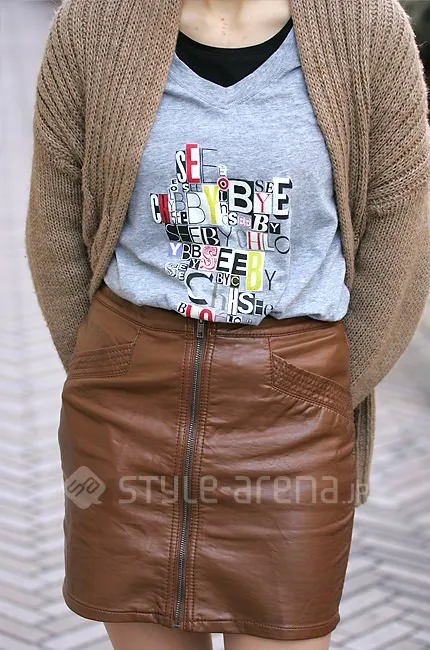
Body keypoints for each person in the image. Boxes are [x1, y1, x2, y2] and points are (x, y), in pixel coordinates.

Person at [25, 0, 430, 649]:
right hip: (127, 412)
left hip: (293, 424)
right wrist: (105, 365)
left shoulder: (367, 28)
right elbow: (55, 221)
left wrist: (324, 391)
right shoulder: (93, 23)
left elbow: (401, 233)